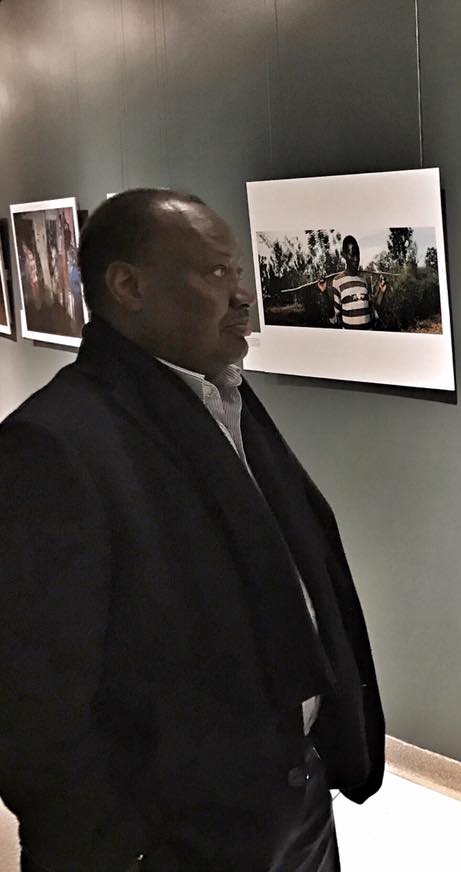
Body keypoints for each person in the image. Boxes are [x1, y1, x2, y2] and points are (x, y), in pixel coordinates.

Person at [0, 189, 385, 871]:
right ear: (129, 286)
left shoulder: (225, 397)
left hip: (292, 797)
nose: (243, 297)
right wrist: (127, 848)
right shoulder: (52, 446)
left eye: (238, 272)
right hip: (182, 836)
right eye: (216, 274)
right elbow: (34, 708)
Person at [319, 235, 389, 330]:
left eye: (358, 254)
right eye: (352, 254)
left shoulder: (364, 280)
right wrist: (324, 293)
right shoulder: (337, 281)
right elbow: (334, 318)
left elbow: (374, 310)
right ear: (344, 255)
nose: (356, 259)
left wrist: (381, 291)